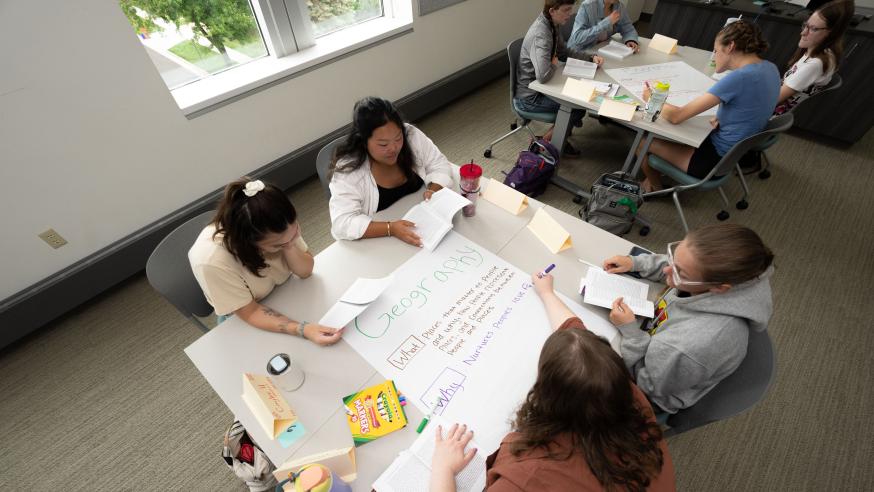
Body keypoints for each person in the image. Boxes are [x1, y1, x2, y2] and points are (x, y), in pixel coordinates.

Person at [429, 272, 676, 491]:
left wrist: (443, 468)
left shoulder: (529, 476)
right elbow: (575, 334)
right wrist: (547, 293)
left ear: (548, 396)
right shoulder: (625, 396)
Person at [602, 224, 774, 414]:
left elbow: (647, 384)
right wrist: (635, 263)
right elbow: (683, 264)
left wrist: (631, 333)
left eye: (679, 273)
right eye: (673, 258)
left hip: (649, 393)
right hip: (658, 343)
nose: (668, 270)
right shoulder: (740, 275)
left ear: (719, 288)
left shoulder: (694, 344)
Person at [188, 178, 343, 346]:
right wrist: (302, 329)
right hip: (247, 315)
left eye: (295, 230)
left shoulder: (278, 223)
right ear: (249, 242)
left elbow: (305, 270)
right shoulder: (212, 261)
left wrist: (288, 245)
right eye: (278, 245)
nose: (292, 240)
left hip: (284, 294)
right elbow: (251, 312)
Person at [637, 20, 780, 192]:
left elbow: (676, 117)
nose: (714, 54)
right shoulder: (770, 67)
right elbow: (755, 104)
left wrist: (652, 97)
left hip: (713, 160)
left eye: (716, 50)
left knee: (643, 142)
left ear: (730, 47)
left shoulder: (739, 77)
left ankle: (654, 187)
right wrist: (726, 117)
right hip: (734, 154)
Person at [329, 97, 454, 246]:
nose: (393, 148)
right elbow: (342, 223)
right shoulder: (349, 170)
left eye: (398, 138)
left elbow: (439, 163)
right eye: (383, 144)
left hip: (423, 229)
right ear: (363, 141)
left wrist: (433, 190)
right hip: (379, 244)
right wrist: (391, 228)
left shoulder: (411, 135)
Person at [516, 0, 604, 150]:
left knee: (577, 102)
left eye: (571, 10)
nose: (570, 14)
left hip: (542, 88)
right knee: (576, 108)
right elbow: (543, 76)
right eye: (566, 10)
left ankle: (558, 138)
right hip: (531, 97)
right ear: (552, 11)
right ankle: (541, 145)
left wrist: (590, 58)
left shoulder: (552, 24)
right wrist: (554, 64)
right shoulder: (541, 34)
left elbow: (563, 52)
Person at [774, 0, 853, 114]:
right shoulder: (823, 51)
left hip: (766, 114)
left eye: (814, 29)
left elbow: (772, 101)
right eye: (806, 25)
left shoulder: (814, 64)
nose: (803, 33)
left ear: (831, 33)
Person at [568, 0, 640, 53]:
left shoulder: (619, 6)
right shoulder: (587, 6)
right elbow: (577, 38)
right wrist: (606, 23)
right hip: (579, 53)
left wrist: (631, 40)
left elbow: (628, 28)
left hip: (601, 51)